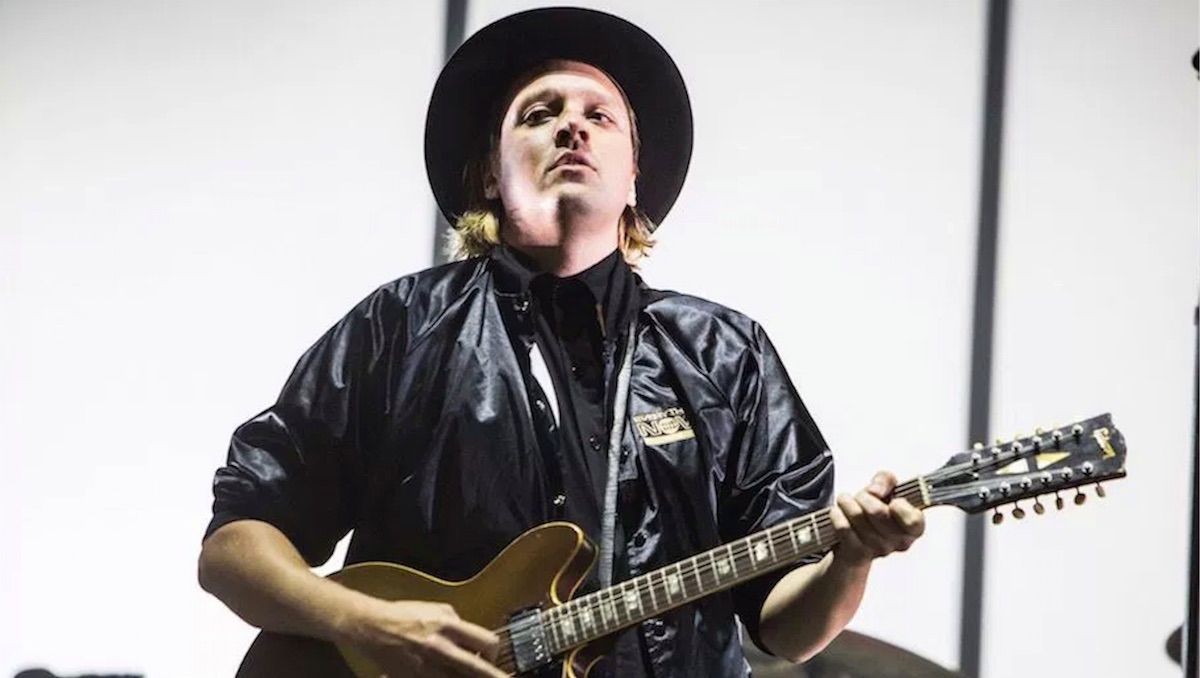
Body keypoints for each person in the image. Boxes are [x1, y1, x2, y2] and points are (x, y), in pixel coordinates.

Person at [197, 8, 926, 677]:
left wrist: (850, 561)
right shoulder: (401, 325)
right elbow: (234, 548)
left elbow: (786, 629)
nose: (572, 128)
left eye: (599, 116)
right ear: (489, 174)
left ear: (635, 177)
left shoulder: (727, 352)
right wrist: (369, 623)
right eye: (540, 114)